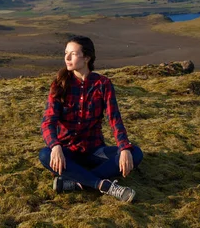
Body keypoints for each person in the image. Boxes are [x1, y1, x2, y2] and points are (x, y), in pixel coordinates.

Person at [39, 35, 143, 202]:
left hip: (95, 150)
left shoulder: (103, 84)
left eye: (72, 54)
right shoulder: (59, 84)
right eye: (66, 53)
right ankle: (103, 185)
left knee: (135, 153)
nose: (66, 58)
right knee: (45, 154)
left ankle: (75, 182)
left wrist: (123, 148)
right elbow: (48, 121)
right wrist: (55, 146)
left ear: (87, 57)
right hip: (68, 152)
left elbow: (114, 119)